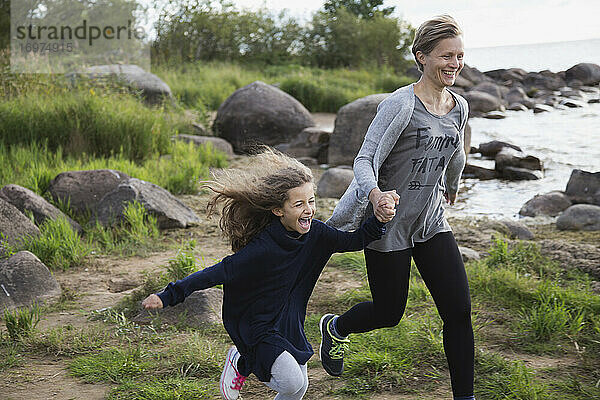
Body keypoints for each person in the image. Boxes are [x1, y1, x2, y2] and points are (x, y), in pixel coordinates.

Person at [142, 148, 396, 400]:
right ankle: (241, 362)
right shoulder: (263, 247)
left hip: (289, 321)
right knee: (290, 382)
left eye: (311, 201)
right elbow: (218, 272)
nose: (308, 209)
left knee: (299, 388)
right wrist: (169, 295)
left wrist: (380, 219)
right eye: (298, 204)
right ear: (278, 210)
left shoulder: (317, 233)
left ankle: (246, 360)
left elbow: (353, 241)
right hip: (257, 322)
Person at [319, 15, 475, 400]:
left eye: (459, 56)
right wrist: (374, 195)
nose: (454, 64)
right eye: (445, 56)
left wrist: (452, 186)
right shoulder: (401, 104)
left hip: (431, 221)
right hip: (387, 224)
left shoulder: (459, 106)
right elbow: (364, 160)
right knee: (389, 313)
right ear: (422, 56)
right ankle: (336, 327)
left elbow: (457, 152)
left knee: (458, 312)